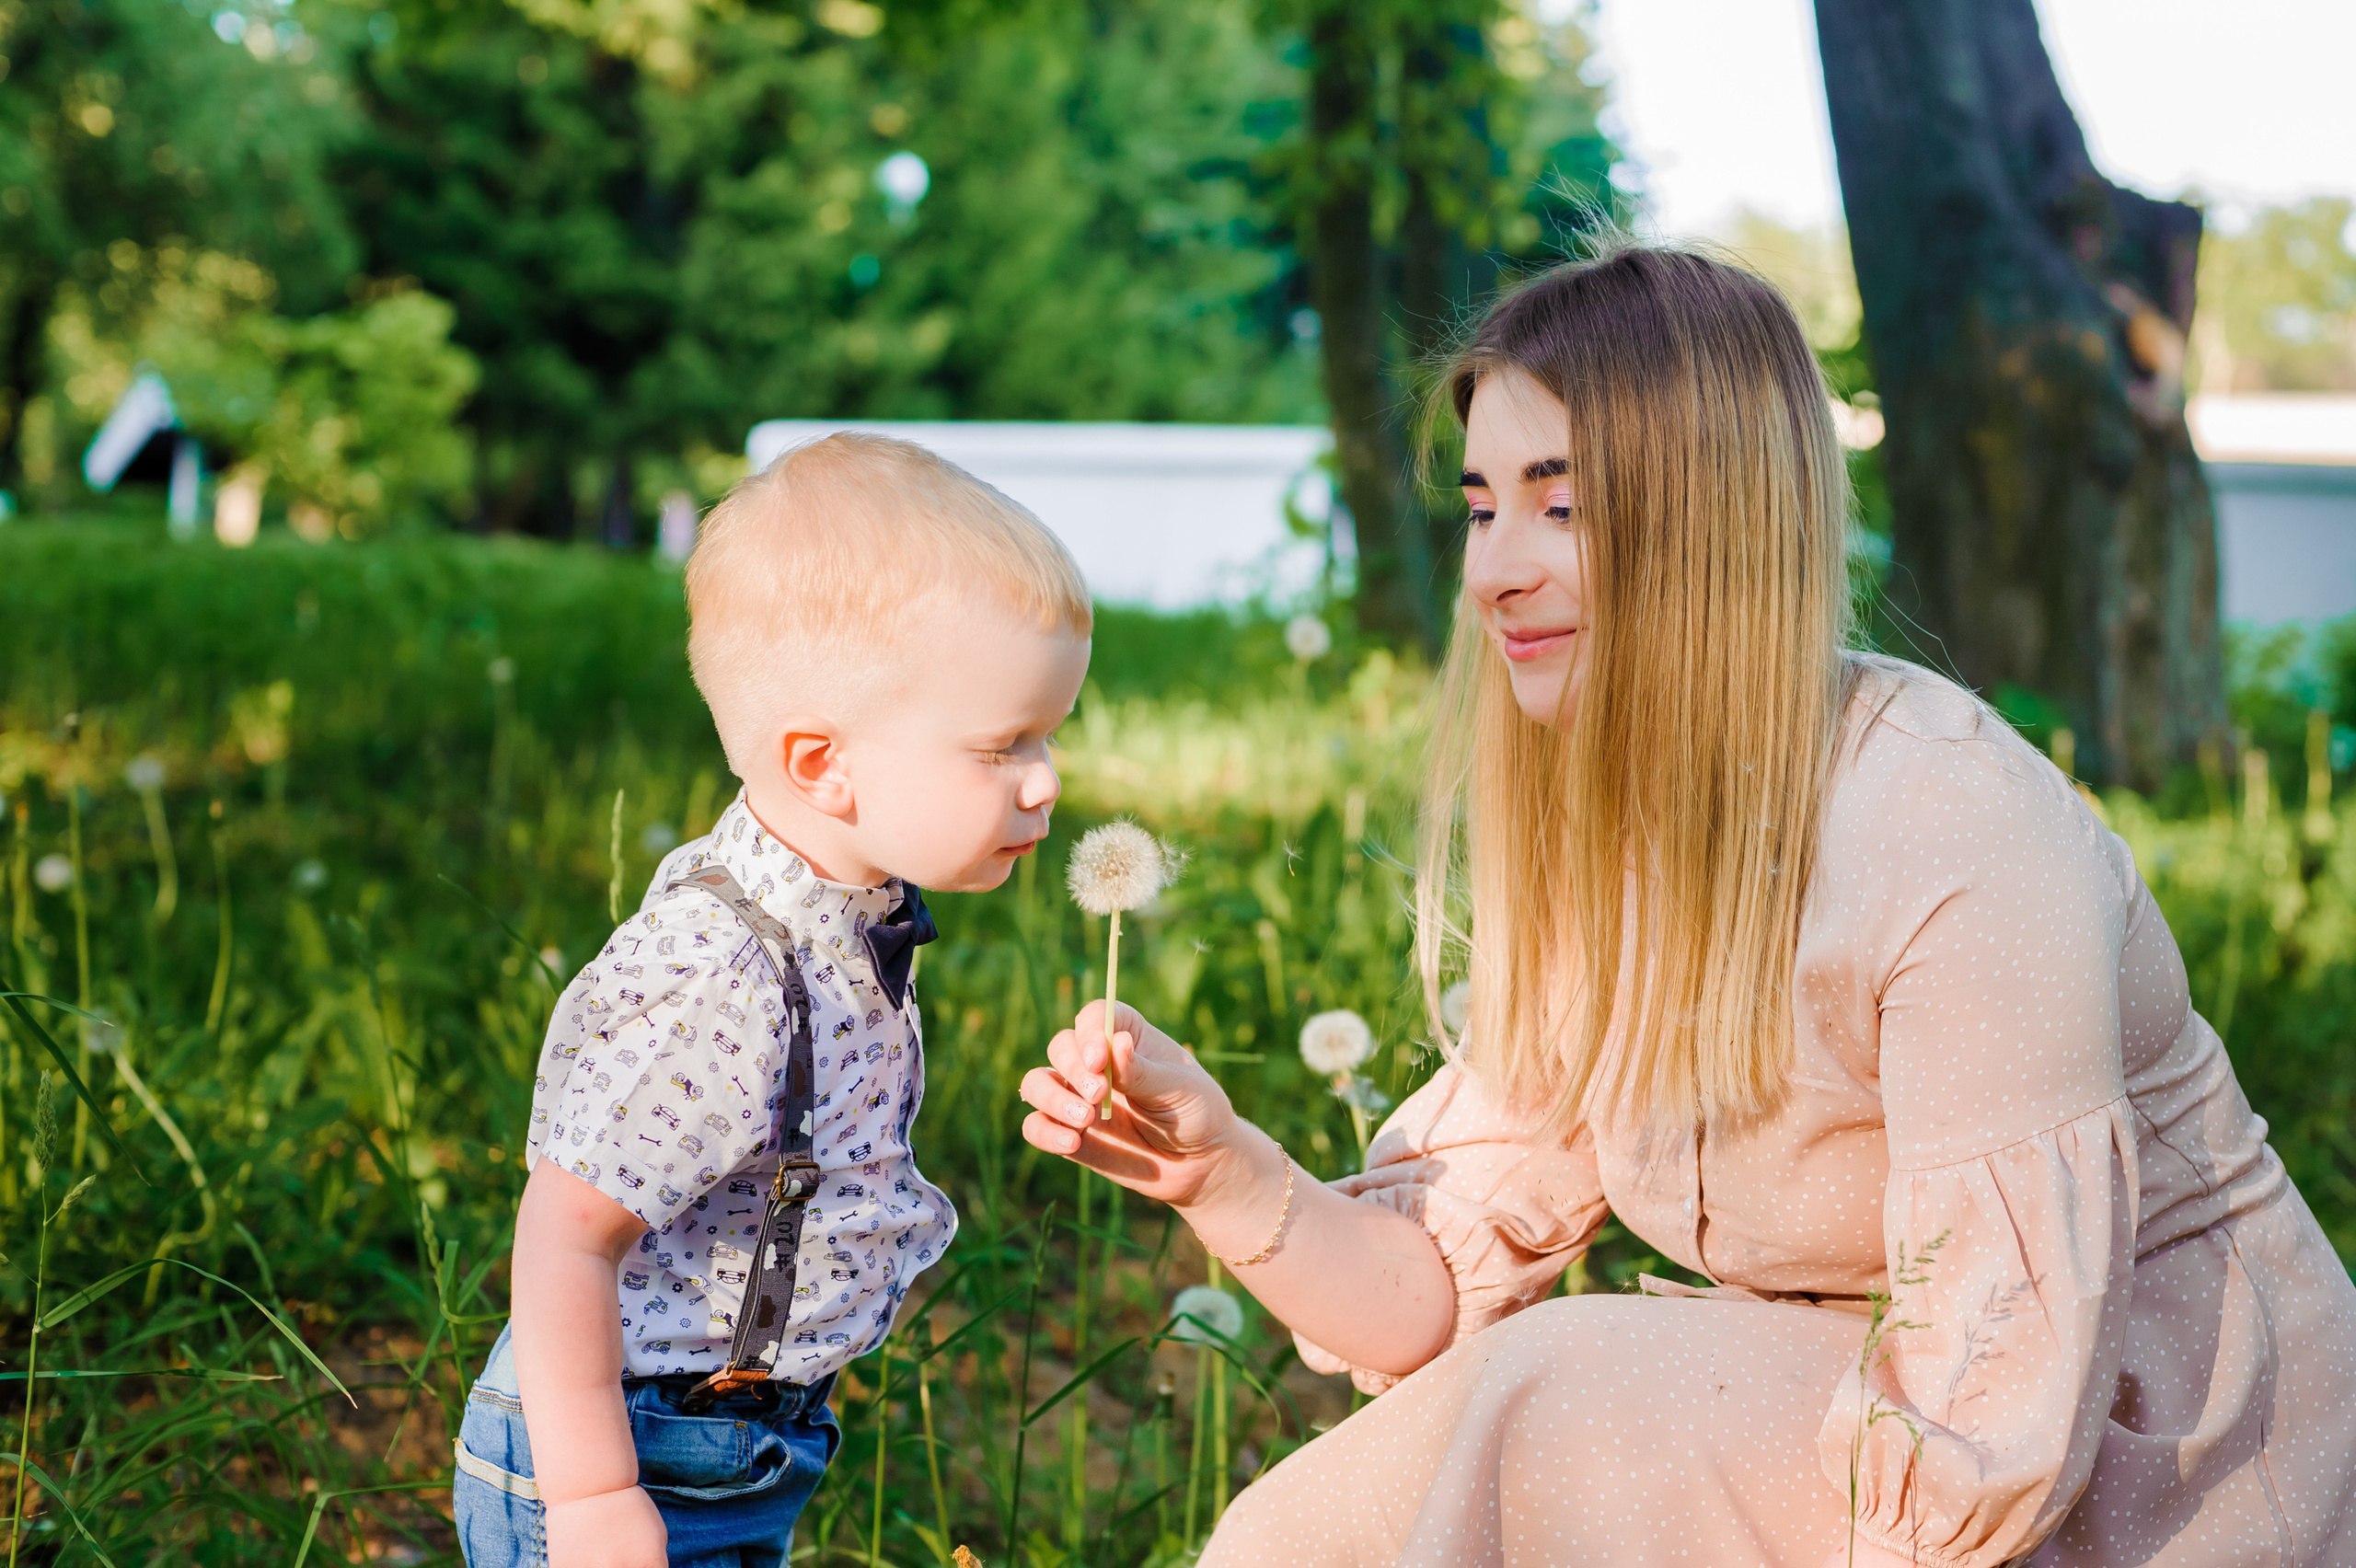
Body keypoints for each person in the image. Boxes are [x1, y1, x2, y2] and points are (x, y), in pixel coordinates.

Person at [1019, 238, 2356, 1567]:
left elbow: (1990, 1422)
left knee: (1565, 1401)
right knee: (1344, 1515)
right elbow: (1419, 1301)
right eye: (1483, 508)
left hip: (2153, 1482)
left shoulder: (1951, 835)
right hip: (1874, 1421)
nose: (1494, 572)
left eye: (1565, 504)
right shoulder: (1612, 832)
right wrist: (1223, 1171)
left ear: (1718, 515)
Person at [455, 433, 1093, 1568]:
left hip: (737, 1445)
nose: (1045, 780)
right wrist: (596, 1495)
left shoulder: (840, 909)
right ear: (821, 765)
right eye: (1003, 746)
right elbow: (563, 1234)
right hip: (622, 1445)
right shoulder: (724, 976)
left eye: (1049, 736)